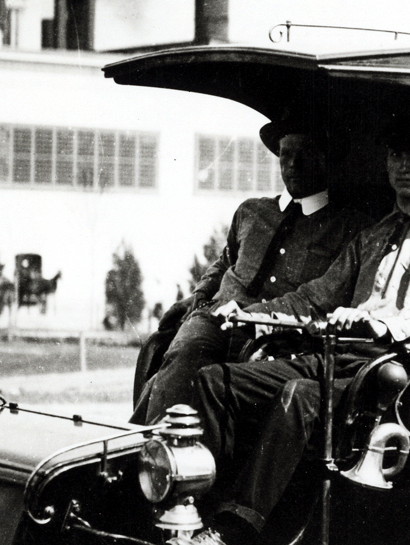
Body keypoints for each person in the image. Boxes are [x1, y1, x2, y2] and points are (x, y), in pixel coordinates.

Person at [175, 111, 410, 545]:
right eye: (396, 155)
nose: (403, 166)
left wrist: (384, 324)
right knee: (213, 381)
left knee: (299, 396)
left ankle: (234, 535)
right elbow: (314, 298)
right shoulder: (373, 236)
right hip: (333, 358)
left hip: (386, 372)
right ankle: (196, 512)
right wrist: (249, 315)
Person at [131, 115, 370, 424]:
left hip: (282, 333)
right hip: (216, 317)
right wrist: (197, 298)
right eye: (286, 154)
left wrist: (256, 316)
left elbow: (323, 295)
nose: (293, 163)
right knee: (182, 359)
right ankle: (152, 457)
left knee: (215, 387)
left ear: (327, 158)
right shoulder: (252, 210)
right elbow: (224, 262)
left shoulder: (348, 227)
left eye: (306, 153)